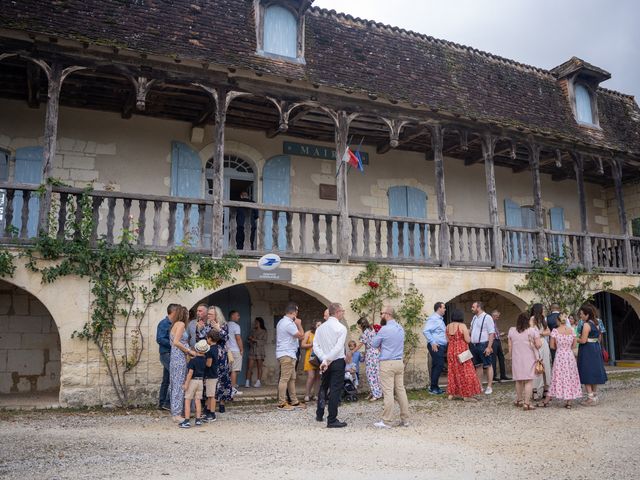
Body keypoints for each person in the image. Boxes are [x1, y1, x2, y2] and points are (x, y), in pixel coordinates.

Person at [371, 306, 410, 428]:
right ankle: (405, 419)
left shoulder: (384, 329)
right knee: (401, 391)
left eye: (381, 313)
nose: (380, 315)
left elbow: (374, 344)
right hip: (399, 362)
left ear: (387, 314)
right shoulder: (400, 328)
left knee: (388, 392)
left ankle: (386, 421)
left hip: (387, 363)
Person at [314, 302, 348, 428]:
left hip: (324, 361)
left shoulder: (320, 328)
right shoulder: (341, 328)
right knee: (335, 389)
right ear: (338, 312)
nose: (343, 313)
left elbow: (315, 346)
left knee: (323, 386)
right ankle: (332, 419)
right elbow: (338, 347)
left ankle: (319, 413)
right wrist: (327, 359)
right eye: (343, 311)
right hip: (337, 361)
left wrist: (323, 359)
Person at [508, 311, 542, 411]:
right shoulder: (532, 331)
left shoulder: (512, 330)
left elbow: (510, 345)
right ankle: (527, 403)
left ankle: (519, 400)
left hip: (516, 358)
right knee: (528, 381)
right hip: (529, 358)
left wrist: (511, 356)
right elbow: (539, 345)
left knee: (518, 380)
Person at [445, 309, 481, 401]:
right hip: (462, 351)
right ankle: (466, 395)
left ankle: (452, 394)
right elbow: (468, 340)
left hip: (451, 351)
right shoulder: (462, 326)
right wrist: (468, 333)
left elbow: (447, 340)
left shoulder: (448, 326)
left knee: (452, 372)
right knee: (466, 372)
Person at [549, 313, 582, 408]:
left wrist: (560, 347)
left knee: (559, 375)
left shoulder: (555, 331)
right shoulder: (572, 330)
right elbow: (574, 345)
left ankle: (559, 394)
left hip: (559, 355)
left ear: (558, 321)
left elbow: (552, 346)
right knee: (570, 375)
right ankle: (569, 401)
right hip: (569, 355)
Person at [577, 304, 608, 405]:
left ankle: (590, 398)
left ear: (587, 314)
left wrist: (574, 338)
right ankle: (595, 395)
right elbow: (599, 338)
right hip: (595, 348)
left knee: (586, 371)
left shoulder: (586, 324)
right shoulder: (597, 322)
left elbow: (583, 340)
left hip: (587, 349)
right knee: (594, 371)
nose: (580, 316)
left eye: (581, 314)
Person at [275, 302, 304, 410]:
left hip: (289, 353)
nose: (297, 314)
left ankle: (294, 401)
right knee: (284, 379)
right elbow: (301, 336)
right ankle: (282, 403)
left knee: (292, 378)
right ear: (293, 312)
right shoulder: (288, 323)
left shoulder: (283, 322)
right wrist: (299, 324)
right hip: (286, 353)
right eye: (297, 311)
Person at [169, 306, 195, 422]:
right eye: (187, 314)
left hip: (175, 357)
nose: (189, 316)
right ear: (184, 314)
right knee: (179, 385)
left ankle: (176, 412)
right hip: (179, 357)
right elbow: (176, 342)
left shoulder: (175, 324)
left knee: (175, 384)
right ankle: (177, 414)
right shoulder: (181, 324)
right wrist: (188, 351)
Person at [179, 339, 209, 428]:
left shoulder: (193, 361)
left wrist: (186, 384)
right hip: (200, 382)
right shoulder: (204, 361)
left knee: (187, 400)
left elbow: (190, 373)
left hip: (193, 381)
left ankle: (187, 421)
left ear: (196, 349)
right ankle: (198, 420)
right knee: (198, 401)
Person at [209, 306, 232, 413]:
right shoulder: (207, 325)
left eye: (211, 314)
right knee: (211, 378)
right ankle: (209, 403)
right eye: (208, 314)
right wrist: (199, 329)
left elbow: (226, 338)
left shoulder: (223, 325)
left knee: (223, 379)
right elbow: (202, 338)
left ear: (217, 315)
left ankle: (222, 403)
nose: (209, 316)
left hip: (221, 356)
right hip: (210, 354)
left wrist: (219, 329)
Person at [469, 301, 495, 395]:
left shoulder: (487, 317)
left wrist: (489, 347)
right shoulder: (474, 318)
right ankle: (479, 386)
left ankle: (489, 386)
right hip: (474, 345)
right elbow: (471, 330)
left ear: (478, 307)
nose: (471, 308)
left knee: (488, 365)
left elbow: (491, 332)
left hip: (483, 344)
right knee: (478, 366)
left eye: (473, 307)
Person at [423, 301, 448, 395]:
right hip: (436, 346)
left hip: (439, 345)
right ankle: (433, 388)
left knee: (436, 365)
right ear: (439, 308)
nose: (445, 309)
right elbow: (426, 331)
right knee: (439, 365)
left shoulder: (439, 319)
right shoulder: (434, 319)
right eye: (444, 307)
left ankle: (434, 387)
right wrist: (432, 342)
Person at [356, 317, 382, 401]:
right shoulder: (372, 330)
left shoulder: (365, 333)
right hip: (375, 353)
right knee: (375, 373)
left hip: (371, 354)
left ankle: (376, 394)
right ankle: (375, 392)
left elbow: (360, 344)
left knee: (371, 374)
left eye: (358, 325)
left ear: (361, 324)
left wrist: (352, 352)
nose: (358, 326)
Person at [157, 303, 177, 411]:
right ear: (173, 312)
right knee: (175, 376)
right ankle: (167, 403)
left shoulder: (174, 324)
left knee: (166, 379)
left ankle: (162, 403)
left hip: (171, 354)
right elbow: (160, 339)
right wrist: (174, 343)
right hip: (166, 354)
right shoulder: (164, 323)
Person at [530, 303, 552, 406]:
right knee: (536, 366)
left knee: (546, 366)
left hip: (543, 343)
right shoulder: (532, 319)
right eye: (543, 309)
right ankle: (535, 390)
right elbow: (530, 332)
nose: (544, 310)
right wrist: (540, 334)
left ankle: (545, 389)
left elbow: (549, 331)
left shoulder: (543, 319)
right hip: (535, 343)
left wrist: (541, 333)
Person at [302, 320, 322, 402]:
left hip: (319, 357)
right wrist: (312, 344)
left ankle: (316, 395)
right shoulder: (308, 333)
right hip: (310, 357)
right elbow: (302, 345)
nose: (320, 327)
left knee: (318, 377)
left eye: (321, 325)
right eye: (318, 325)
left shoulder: (322, 334)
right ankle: (307, 394)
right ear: (314, 326)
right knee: (311, 376)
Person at [204, 329, 220, 422]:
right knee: (210, 394)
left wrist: (202, 362)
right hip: (214, 374)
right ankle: (208, 411)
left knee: (211, 395)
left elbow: (209, 364)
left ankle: (212, 414)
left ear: (209, 338)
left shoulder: (209, 350)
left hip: (210, 375)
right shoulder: (216, 348)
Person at [246, 317, 267, 388]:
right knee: (249, 367)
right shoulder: (252, 331)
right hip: (252, 350)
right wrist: (250, 340)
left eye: (256, 322)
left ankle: (258, 381)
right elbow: (249, 340)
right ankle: (247, 381)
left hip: (260, 351)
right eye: (255, 322)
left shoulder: (264, 331)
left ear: (260, 323)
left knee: (259, 367)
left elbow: (264, 342)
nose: (255, 324)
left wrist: (254, 340)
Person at [490, 309, 510, 382]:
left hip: (497, 340)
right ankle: (493, 376)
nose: (498, 318)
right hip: (494, 341)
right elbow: (491, 332)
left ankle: (503, 375)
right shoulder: (490, 322)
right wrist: (499, 334)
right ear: (493, 316)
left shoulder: (494, 322)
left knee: (501, 357)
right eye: (497, 317)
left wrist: (500, 334)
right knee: (493, 358)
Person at [227, 310, 244, 395]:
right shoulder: (236, 326)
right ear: (232, 316)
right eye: (237, 315)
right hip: (235, 350)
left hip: (227, 351)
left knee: (229, 370)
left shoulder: (225, 325)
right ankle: (232, 389)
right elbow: (238, 338)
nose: (239, 317)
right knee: (234, 370)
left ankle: (228, 387)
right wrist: (241, 349)